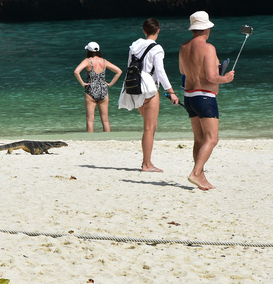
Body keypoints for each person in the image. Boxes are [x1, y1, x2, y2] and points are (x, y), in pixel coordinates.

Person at [178, 11, 235, 190]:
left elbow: (182, 71)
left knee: (199, 139)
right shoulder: (208, 48)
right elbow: (211, 77)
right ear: (207, 29)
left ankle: (200, 176)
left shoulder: (183, 47)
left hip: (189, 96)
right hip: (205, 97)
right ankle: (195, 173)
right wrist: (225, 78)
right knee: (212, 139)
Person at [118, 18, 179, 172]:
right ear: (158, 31)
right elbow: (160, 71)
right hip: (149, 88)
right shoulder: (157, 48)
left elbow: (129, 66)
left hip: (133, 87)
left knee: (150, 126)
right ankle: (147, 164)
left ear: (144, 31)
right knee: (149, 128)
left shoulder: (134, 46)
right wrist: (171, 91)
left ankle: (147, 162)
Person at [73, 42, 122, 132]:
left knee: (90, 120)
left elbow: (76, 71)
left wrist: (83, 83)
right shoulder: (104, 61)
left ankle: (90, 139)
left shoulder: (87, 61)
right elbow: (119, 71)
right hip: (103, 90)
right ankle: (108, 139)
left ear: (88, 51)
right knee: (105, 120)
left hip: (91, 89)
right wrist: (111, 83)